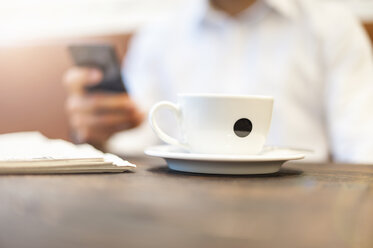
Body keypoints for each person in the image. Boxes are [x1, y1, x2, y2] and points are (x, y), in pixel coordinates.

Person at [63, 0, 373, 163]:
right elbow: (132, 143)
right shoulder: (158, 36)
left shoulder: (333, 28)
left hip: (305, 207)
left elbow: (363, 146)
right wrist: (97, 131)